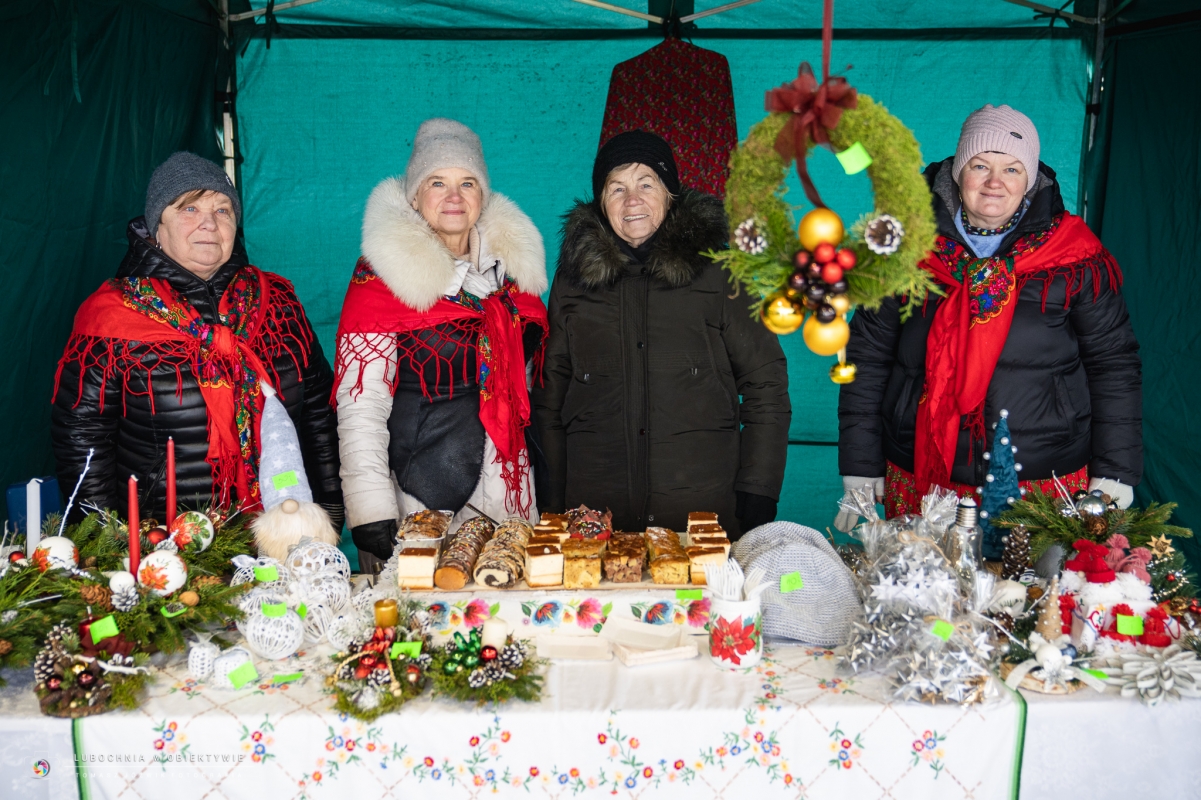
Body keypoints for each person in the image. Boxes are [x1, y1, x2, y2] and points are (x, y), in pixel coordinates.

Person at [835, 105, 1142, 550]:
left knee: (1030, 592)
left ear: (1030, 180)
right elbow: (866, 359)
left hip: (1043, 481)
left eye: (1012, 169)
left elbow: (1114, 364)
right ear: (958, 173)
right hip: (923, 476)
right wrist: (860, 465)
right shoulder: (899, 249)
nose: (995, 182)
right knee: (924, 593)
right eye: (980, 166)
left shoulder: (1075, 257)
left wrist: (1115, 469)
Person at [52, 152, 343, 526]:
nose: (209, 223)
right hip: (165, 541)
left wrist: (330, 506)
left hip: (283, 527)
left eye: (223, 210)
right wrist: (105, 537)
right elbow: (83, 440)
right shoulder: (110, 316)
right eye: (189, 209)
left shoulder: (278, 303)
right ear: (157, 227)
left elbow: (319, 413)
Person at [534, 130, 791, 538]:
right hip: (596, 519)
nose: (631, 200)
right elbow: (550, 398)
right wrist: (551, 495)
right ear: (601, 202)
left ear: (670, 193)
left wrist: (758, 487)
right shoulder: (573, 282)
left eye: (646, 184)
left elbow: (766, 384)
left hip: (701, 517)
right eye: (617, 188)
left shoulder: (720, 274)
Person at [335, 119, 548, 571]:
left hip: (512, 494)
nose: (454, 196)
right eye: (437, 183)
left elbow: (529, 392)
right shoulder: (381, 283)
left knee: (505, 608)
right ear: (415, 196)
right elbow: (360, 405)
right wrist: (370, 509)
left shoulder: (512, 281)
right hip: (421, 500)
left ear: (482, 196)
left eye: (467, 183)